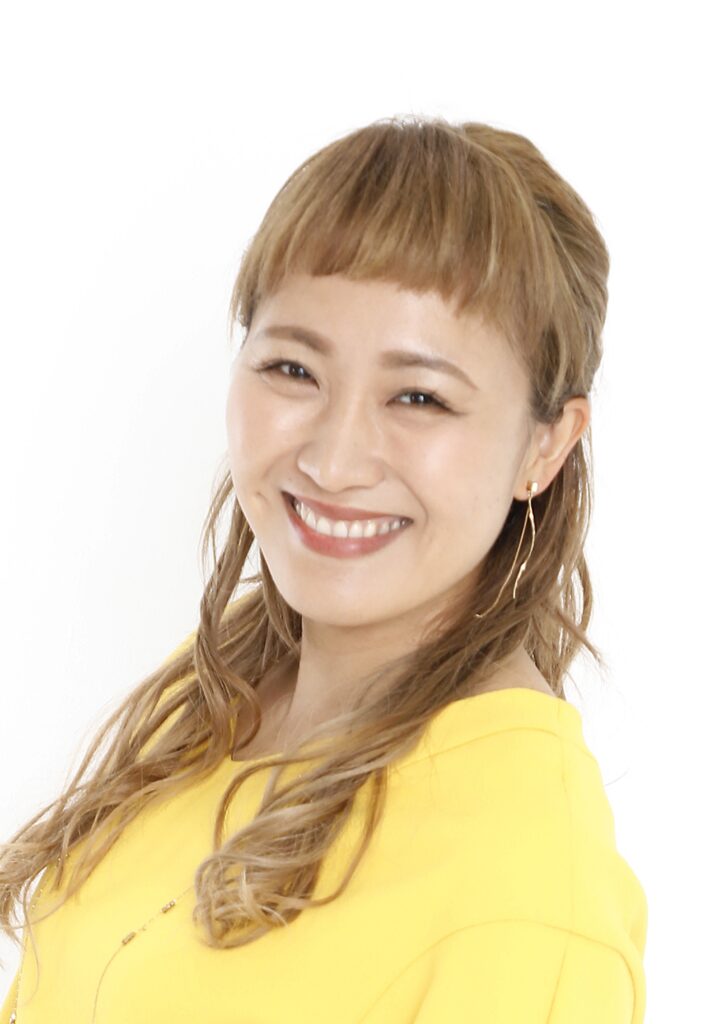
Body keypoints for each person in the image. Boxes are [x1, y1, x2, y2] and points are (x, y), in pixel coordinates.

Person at [0, 115, 648, 1023]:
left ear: (546, 445)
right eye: (294, 369)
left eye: (419, 396)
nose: (335, 461)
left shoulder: (526, 901)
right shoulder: (217, 696)